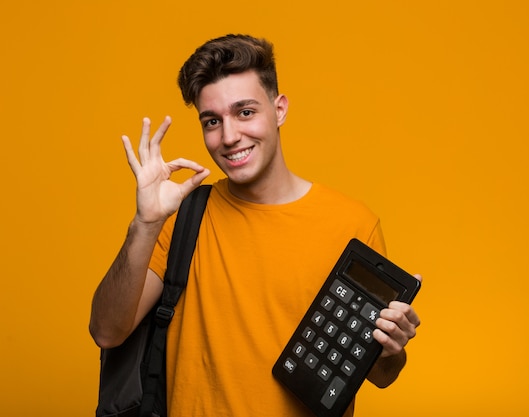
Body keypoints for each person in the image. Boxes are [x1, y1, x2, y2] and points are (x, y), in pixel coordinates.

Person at [89, 34, 421, 417]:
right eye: (212, 121)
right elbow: (106, 331)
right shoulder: (181, 217)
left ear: (279, 109)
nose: (229, 137)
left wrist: (392, 347)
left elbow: (380, 374)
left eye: (245, 112)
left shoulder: (353, 224)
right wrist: (145, 223)